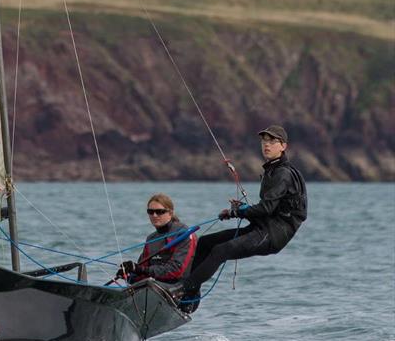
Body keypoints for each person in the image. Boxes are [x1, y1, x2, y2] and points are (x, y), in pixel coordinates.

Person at [178, 124, 307, 312]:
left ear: (283, 146)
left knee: (221, 251)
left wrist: (236, 212)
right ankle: (191, 294)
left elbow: (267, 207)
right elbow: (271, 209)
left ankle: (182, 289)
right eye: (264, 141)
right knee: (205, 242)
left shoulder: (282, 173)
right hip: (262, 227)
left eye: (272, 141)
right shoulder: (273, 169)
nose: (266, 145)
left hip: (273, 235)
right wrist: (243, 209)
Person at [115, 194, 196, 287]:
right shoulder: (151, 238)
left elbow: (176, 270)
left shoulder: (184, 234)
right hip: (154, 286)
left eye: (160, 212)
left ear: (170, 213)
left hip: (179, 290)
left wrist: (141, 270)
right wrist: (129, 274)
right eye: (150, 211)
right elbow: (143, 269)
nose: (154, 215)